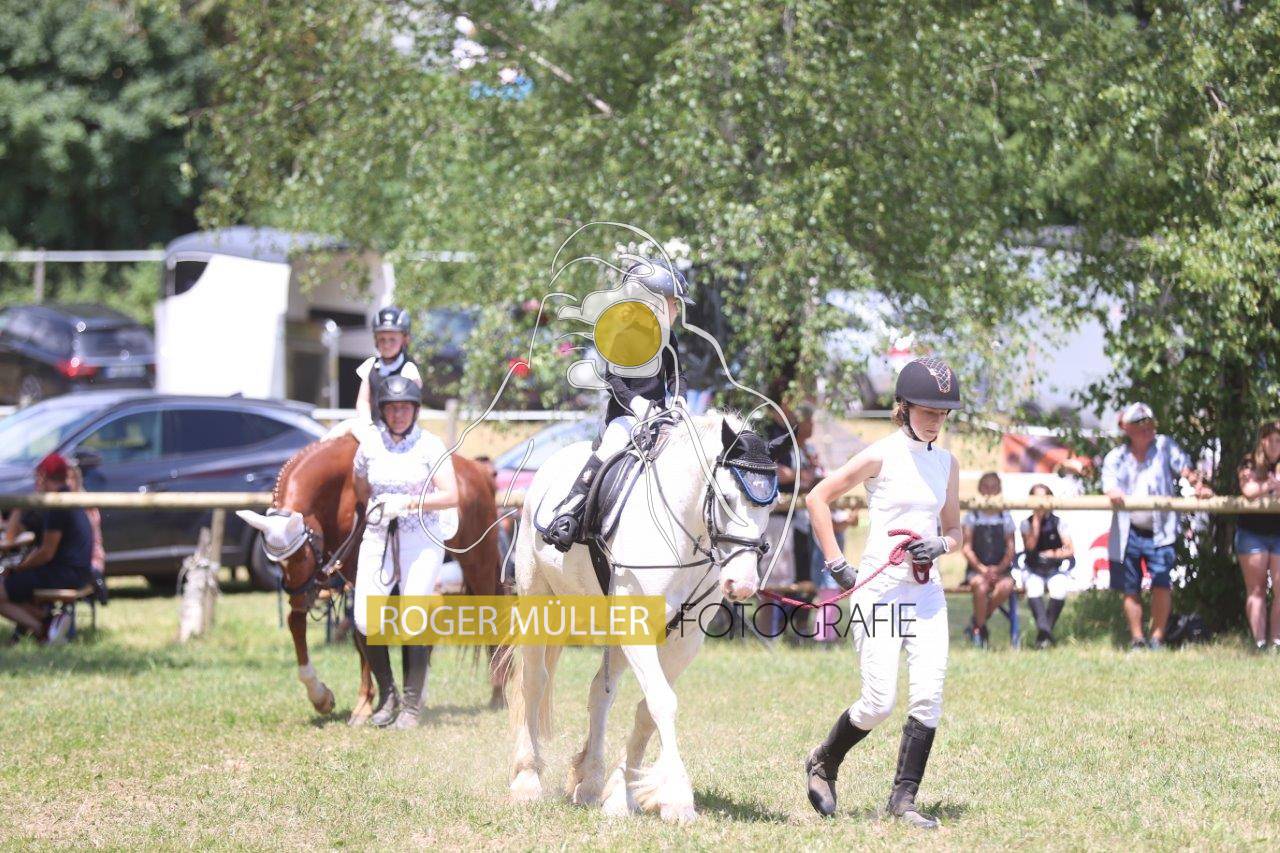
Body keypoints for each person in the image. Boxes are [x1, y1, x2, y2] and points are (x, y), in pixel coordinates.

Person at [803, 356, 962, 829]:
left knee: (929, 696)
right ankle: (824, 761)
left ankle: (903, 801)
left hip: (926, 593)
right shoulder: (882, 454)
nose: (936, 421)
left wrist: (942, 545)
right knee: (878, 703)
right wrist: (836, 563)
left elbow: (955, 529)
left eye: (943, 413)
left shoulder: (947, 464)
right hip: (880, 593)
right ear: (904, 407)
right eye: (928, 411)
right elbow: (817, 497)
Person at [541, 258, 692, 552]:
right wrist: (638, 405)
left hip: (661, 417)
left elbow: (677, 375)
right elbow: (614, 380)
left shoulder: (668, 337)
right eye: (673, 303)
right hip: (626, 416)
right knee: (611, 445)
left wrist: (679, 399)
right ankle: (569, 511)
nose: (677, 310)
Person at [351, 374, 459, 728]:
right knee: (365, 619)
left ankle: (412, 705)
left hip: (421, 539)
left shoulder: (430, 445)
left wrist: (411, 503)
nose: (398, 414)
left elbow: (451, 495)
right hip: (379, 537)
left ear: (415, 410)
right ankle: (388, 694)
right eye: (392, 408)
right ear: (383, 410)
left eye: (405, 408)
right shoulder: (370, 445)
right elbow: (360, 484)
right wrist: (379, 507)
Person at [1102, 402, 1212, 651]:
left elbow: (1185, 469)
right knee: (1130, 588)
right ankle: (1137, 639)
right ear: (1128, 429)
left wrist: (1197, 485)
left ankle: (1157, 638)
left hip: (1161, 532)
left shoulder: (1165, 446)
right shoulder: (1115, 457)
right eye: (1141, 426)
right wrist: (1113, 492)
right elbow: (1109, 485)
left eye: (1150, 425)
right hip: (1128, 531)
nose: (1148, 431)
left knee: (1162, 583)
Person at [0, 454, 94, 644]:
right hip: (77, 571)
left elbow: (46, 553)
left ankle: (42, 628)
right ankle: (49, 623)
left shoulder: (57, 504)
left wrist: (19, 568)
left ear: (42, 476)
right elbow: (17, 536)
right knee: (11, 583)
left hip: (66, 573)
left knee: (3, 588)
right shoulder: (66, 498)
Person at [324, 305, 421, 440]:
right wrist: (367, 424)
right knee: (334, 434)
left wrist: (397, 430)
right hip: (373, 427)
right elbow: (363, 400)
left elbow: (415, 406)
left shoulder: (409, 369)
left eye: (392, 339)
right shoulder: (370, 366)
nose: (386, 345)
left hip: (400, 429)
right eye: (382, 339)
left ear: (405, 339)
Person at [1235, 421, 1280, 652]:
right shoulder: (1249, 462)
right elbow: (1249, 491)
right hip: (1252, 534)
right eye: (1273, 440)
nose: (1277, 445)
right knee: (1256, 590)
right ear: (1263, 440)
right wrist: (1269, 486)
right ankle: (1260, 643)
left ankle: (1277, 642)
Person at [961, 471, 1015, 648]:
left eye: (993, 487)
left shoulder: (1005, 515)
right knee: (980, 586)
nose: (989, 490)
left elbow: (1011, 548)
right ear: (980, 488)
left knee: (1006, 586)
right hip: (976, 570)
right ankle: (981, 627)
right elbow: (966, 548)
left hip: (1001, 570)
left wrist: (998, 569)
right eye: (986, 486)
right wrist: (983, 570)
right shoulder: (972, 515)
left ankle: (977, 623)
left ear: (999, 489)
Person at [1021, 483, 1075, 649]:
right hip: (1033, 569)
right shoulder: (1026, 523)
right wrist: (1036, 522)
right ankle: (1045, 634)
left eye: (1044, 497)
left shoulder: (1059, 522)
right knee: (1033, 589)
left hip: (1054, 568)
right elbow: (1030, 547)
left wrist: (1054, 554)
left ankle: (1043, 634)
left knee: (1059, 589)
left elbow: (1070, 549)